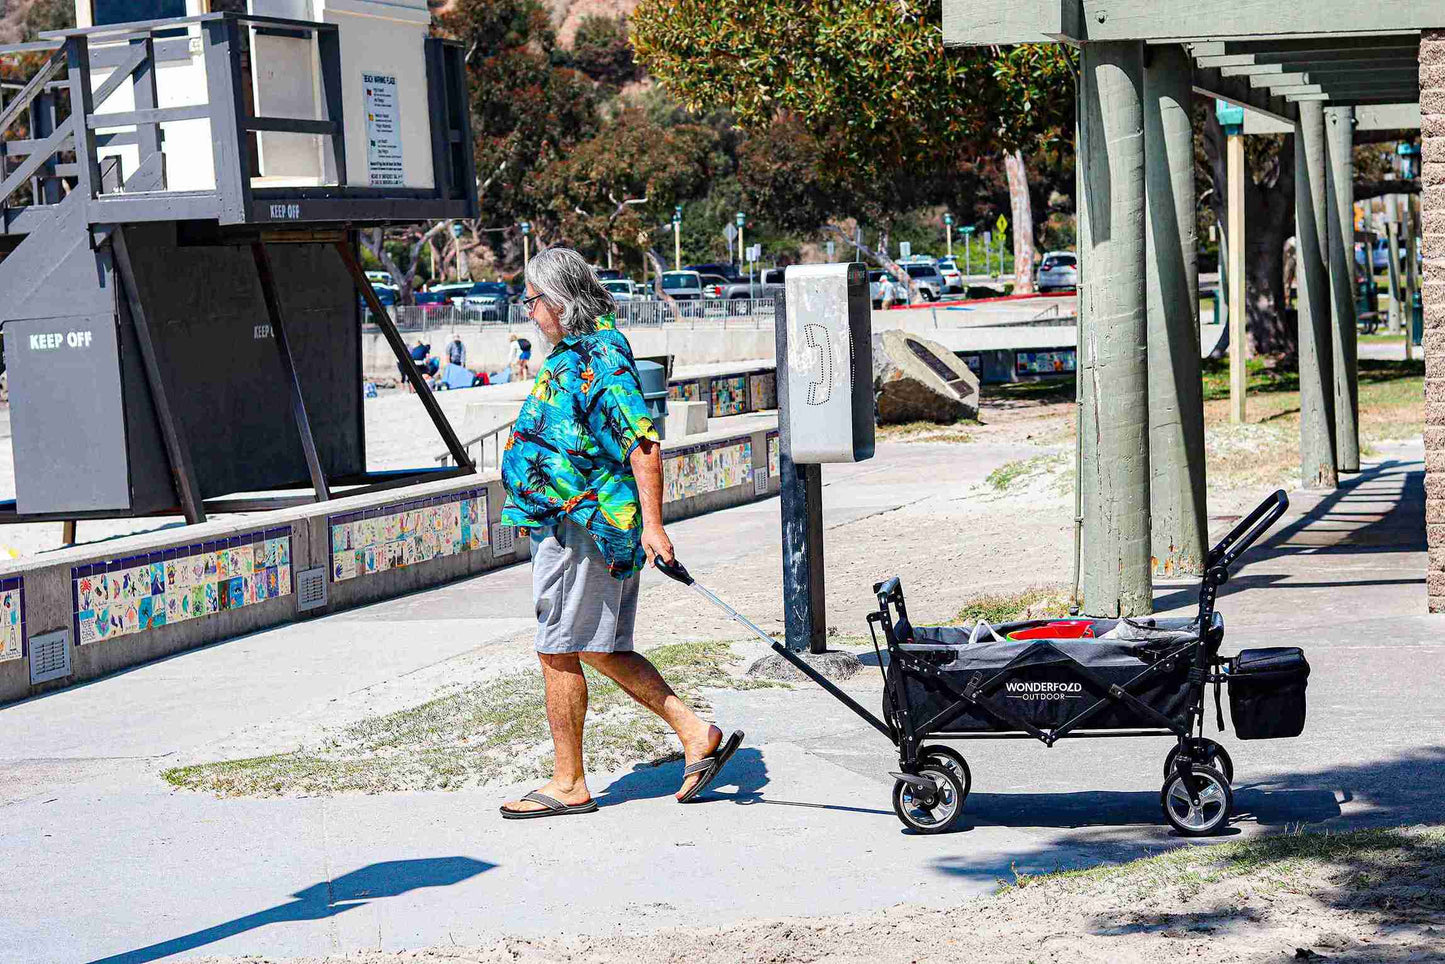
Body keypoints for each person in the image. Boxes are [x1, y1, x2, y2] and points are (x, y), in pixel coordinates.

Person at [497, 246, 743, 820]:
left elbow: (643, 443)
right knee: (597, 645)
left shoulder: (598, 358)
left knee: (558, 648)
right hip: (577, 521)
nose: (530, 315)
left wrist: (655, 527)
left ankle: (569, 783)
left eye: (533, 302)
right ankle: (694, 731)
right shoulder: (587, 350)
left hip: (584, 524)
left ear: (557, 302)